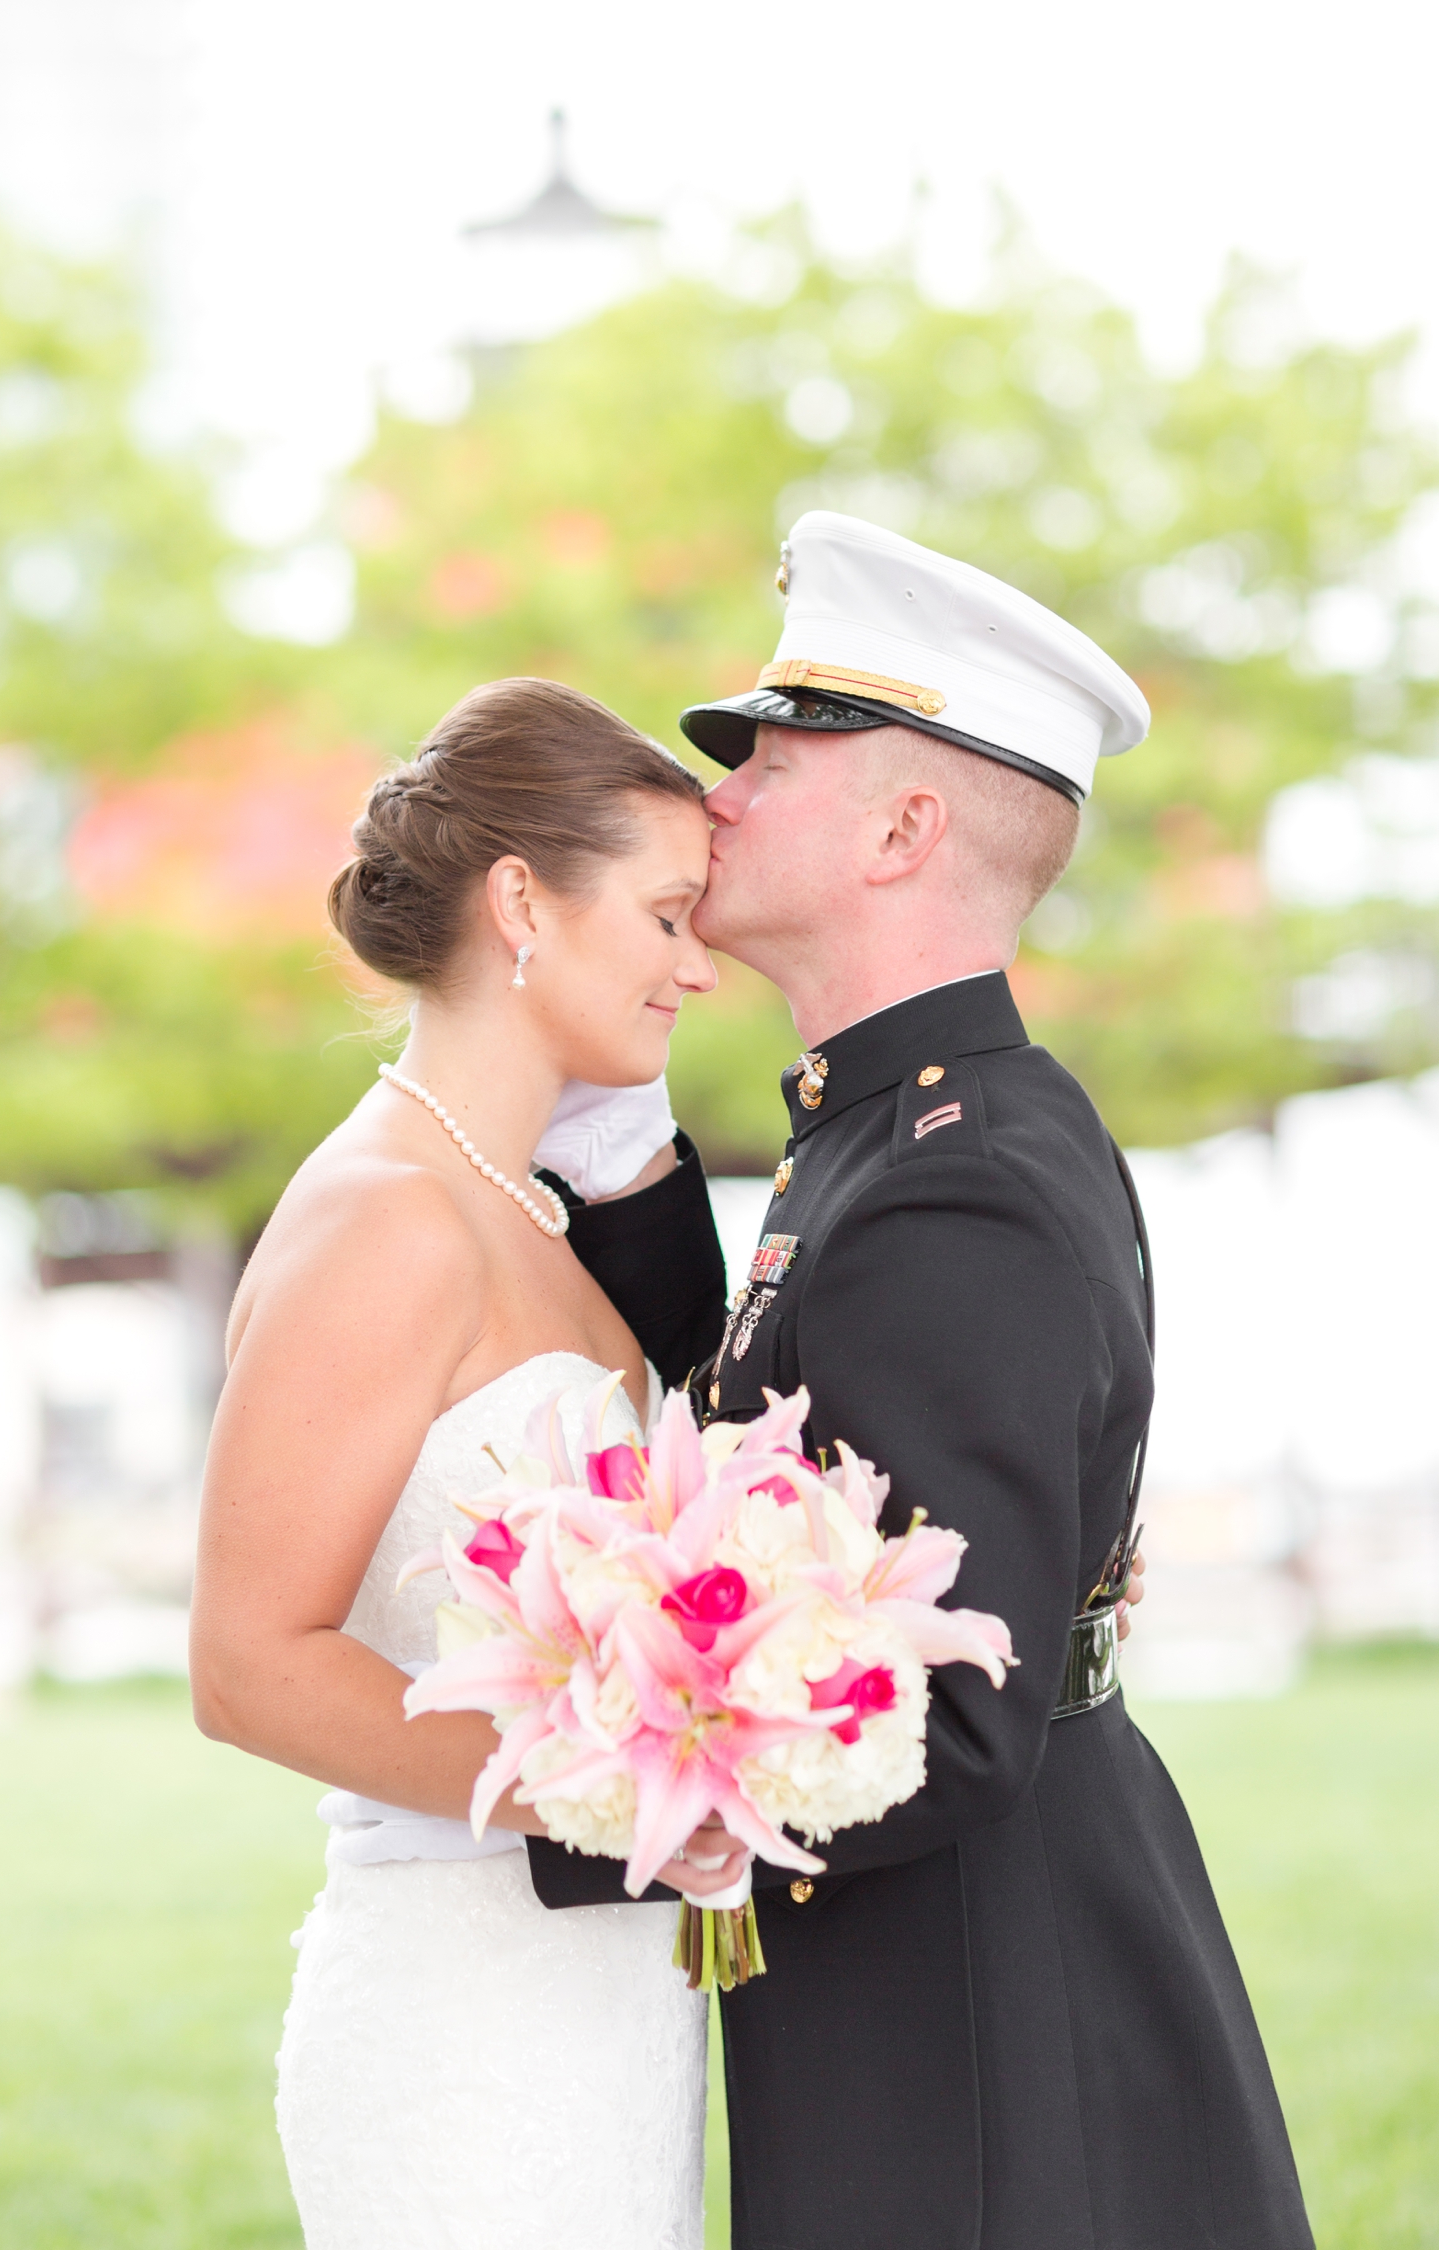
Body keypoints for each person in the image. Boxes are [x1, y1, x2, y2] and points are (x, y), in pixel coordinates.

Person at [527, 512, 1315, 2250]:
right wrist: (637, 1198)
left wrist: (562, 1808)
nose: (716, 789)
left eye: (776, 751)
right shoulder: (906, 1124)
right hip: (959, 1958)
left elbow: (949, 1728)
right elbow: (822, 1439)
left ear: (904, 827)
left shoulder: (952, 1175)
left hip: (974, 2025)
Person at [188, 678, 746, 2249]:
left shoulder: (522, 1201)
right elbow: (244, 1663)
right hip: (463, 2031)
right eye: (665, 915)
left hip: (605, 2013)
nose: (699, 964)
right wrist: (608, 1784)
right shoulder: (385, 1217)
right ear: (522, 903)